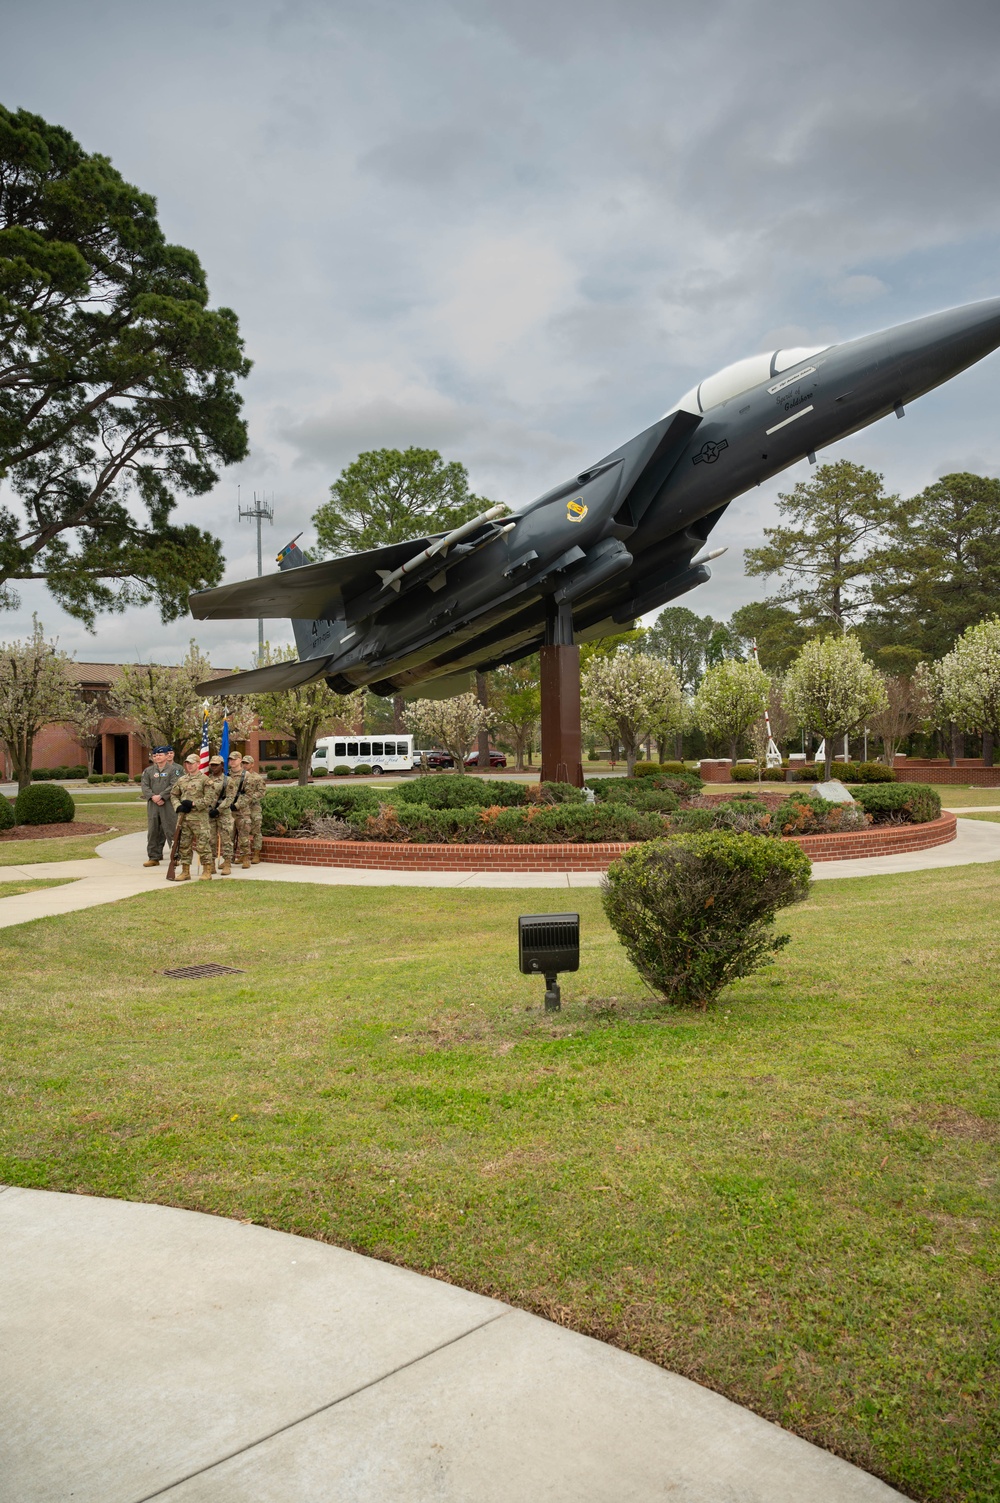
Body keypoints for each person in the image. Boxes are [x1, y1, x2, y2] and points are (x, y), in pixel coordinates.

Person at [169, 753, 214, 881]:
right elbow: (173, 794)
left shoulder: (205, 780)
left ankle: (207, 871)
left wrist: (194, 804)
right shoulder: (182, 780)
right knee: (184, 845)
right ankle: (185, 871)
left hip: (199, 819)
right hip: (184, 819)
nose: (189, 765)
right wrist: (178, 806)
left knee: (202, 845)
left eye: (192, 763)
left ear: (198, 764)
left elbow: (210, 799)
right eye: (187, 763)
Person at [140, 746, 184, 866]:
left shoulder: (173, 770)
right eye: (155, 756)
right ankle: (154, 857)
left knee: (171, 829)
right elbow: (144, 785)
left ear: (166, 756)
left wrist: (162, 796)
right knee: (153, 830)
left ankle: (175, 856)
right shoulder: (148, 771)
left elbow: (175, 784)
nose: (157, 757)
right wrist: (153, 796)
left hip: (168, 804)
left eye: (160, 755)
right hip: (153, 805)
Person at [241, 754, 267, 864]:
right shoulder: (240, 777)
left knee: (256, 831)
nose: (245, 765)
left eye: (247, 763)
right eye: (243, 763)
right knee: (242, 831)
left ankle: (256, 854)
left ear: (252, 764)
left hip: (254, 807)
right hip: (242, 808)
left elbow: (262, 792)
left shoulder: (257, 778)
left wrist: (250, 797)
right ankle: (244, 855)